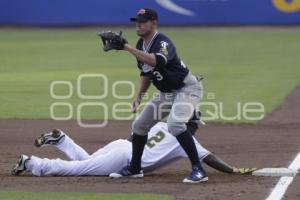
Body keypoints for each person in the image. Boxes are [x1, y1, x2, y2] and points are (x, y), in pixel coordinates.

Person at [107, 8, 209, 183]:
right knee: (139, 125)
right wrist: (139, 96)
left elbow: (157, 61)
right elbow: (146, 73)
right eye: (136, 21)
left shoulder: (162, 42)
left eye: (143, 21)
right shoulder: (141, 45)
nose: (138, 25)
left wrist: (126, 47)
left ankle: (199, 170)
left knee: (175, 124)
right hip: (166, 93)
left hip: (187, 88)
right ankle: (135, 168)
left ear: (154, 23)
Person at [11, 116, 256, 177]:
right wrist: (232, 170)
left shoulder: (161, 124)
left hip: (122, 146)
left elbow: (136, 136)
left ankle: (63, 140)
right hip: (124, 158)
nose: (196, 129)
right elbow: (210, 158)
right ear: (188, 124)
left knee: (85, 162)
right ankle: (33, 163)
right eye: (195, 124)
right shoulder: (187, 140)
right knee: (79, 170)